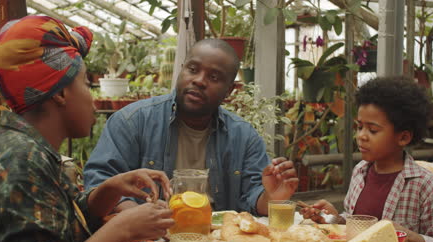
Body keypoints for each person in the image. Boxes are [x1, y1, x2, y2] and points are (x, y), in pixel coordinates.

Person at [0, 16, 174, 242]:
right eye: (85, 83)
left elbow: (54, 225)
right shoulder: (20, 162)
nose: (92, 99)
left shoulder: (25, 148)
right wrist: (120, 229)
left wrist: (107, 191)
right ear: (59, 92)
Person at [84, 38, 299, 216]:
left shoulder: (244, 136)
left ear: (229, 91)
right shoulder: (132, 121)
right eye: (193, 69)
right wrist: (135, 218)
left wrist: (272, 197)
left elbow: (254, 197)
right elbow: (99, 185)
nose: (199, 81)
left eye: (214, 77)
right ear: (181, 70)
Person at [300, 77, 433, 242]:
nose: (361, 135)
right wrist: (335, 219)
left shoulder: (427, 186)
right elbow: (359, 223)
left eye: (373, 130)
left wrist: (411, 236)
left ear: (403, 137)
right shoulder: (360, 171)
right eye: (359, 127)